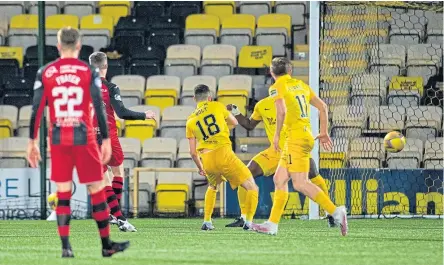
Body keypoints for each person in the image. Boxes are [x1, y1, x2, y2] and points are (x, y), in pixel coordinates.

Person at [26, 27, 130, 257]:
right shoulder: (87, 71)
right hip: (84, 137)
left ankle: (66, 247)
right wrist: (104, 139)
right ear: (80, 46)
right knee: (96, 188)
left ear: (59, 45)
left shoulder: (46, 71)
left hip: (58, 137)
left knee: (62, 192)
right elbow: (100, 108)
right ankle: (106, 245)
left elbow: (36, 109)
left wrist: (32, 140)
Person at [251, 57, 348, 236]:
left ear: (272, 73)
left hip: (294, 138)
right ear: (290, 71)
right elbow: (323, 107)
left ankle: (336, 211)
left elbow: (281, 111)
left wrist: (277, 135)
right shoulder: (301, 85)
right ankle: (272, 224)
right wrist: (324, 131)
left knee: (301, 183)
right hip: (302, 136)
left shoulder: (276, 87)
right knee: (279, 179)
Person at [225, 99, 336, 228]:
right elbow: (249, 125)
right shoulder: (262, 105)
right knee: (244, 174)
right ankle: (244, 218)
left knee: (313, 174)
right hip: (275, 152)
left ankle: (331, 213)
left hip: (294, 148)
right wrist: (236, 112)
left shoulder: (292, 101)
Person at [89, 51, 156, 232]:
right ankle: (120, 218)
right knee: (118, 172)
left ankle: (113, 214)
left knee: (104, 178)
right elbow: (122, 113)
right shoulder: (110, 87)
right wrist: (144, 115)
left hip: (89, 138)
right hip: (108, 136)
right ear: (106, 66)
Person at [185, 84, 259, 230]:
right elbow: (235, 122)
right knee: (252, 186)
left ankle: (207, 221)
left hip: (207, 159)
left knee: (212, 187)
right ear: (210, 97)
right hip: (224, 153)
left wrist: (201, 168)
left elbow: (193, 153)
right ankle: (249, 222)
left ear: (194, 99)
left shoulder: (190, 121)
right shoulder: (217, 106)